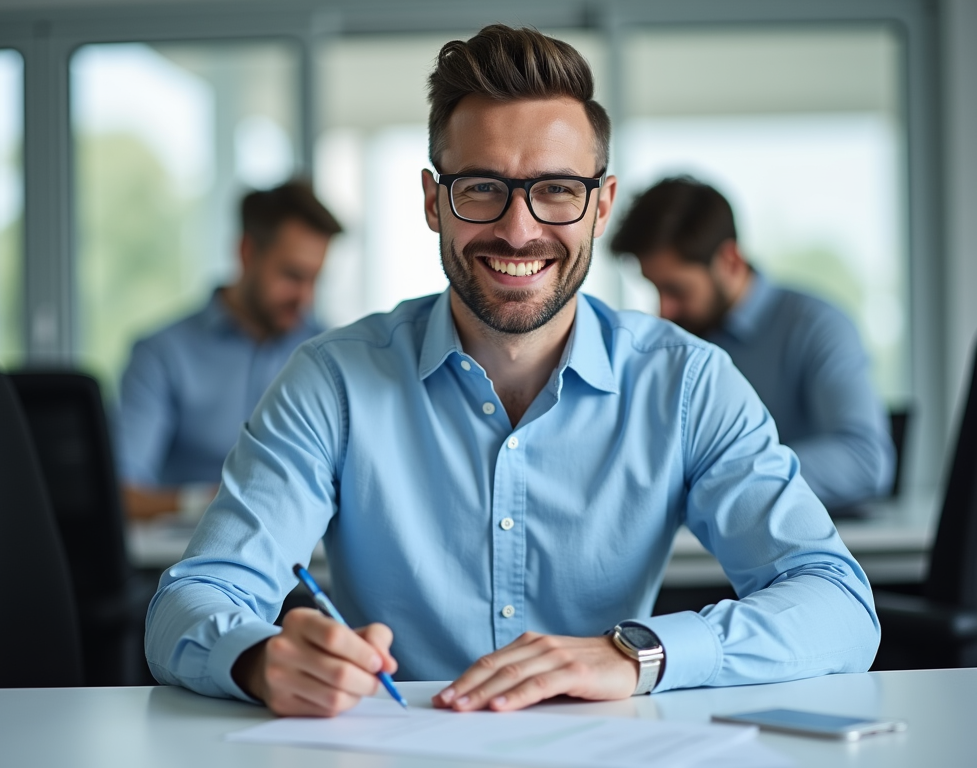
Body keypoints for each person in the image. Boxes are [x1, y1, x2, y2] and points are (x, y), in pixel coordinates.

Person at [146, 25, 879, 718]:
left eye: (557, 189)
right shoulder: (331, 381)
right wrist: (259, 658)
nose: (519, 228)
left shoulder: (687, 385)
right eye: (482, 188)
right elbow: (193, 599)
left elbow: (838, 605)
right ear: (435, 202)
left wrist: (637, 656)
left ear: (602, 206)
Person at [610, 177, 895, 511]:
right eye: (655, 289)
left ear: (730, 261)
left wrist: (724, 474)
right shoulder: (676, 342)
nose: (663, 311)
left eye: (677, 290)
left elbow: (865, 460)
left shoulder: (817, 326)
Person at [116, 179, 342, 520]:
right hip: (186, 559)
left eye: (314, 279)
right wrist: (212, 501)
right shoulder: (161, 355)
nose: (305, 298)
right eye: (293, 276)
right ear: (247, 252)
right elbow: (122, 494)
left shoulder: (329, 352)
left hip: (310, 564)